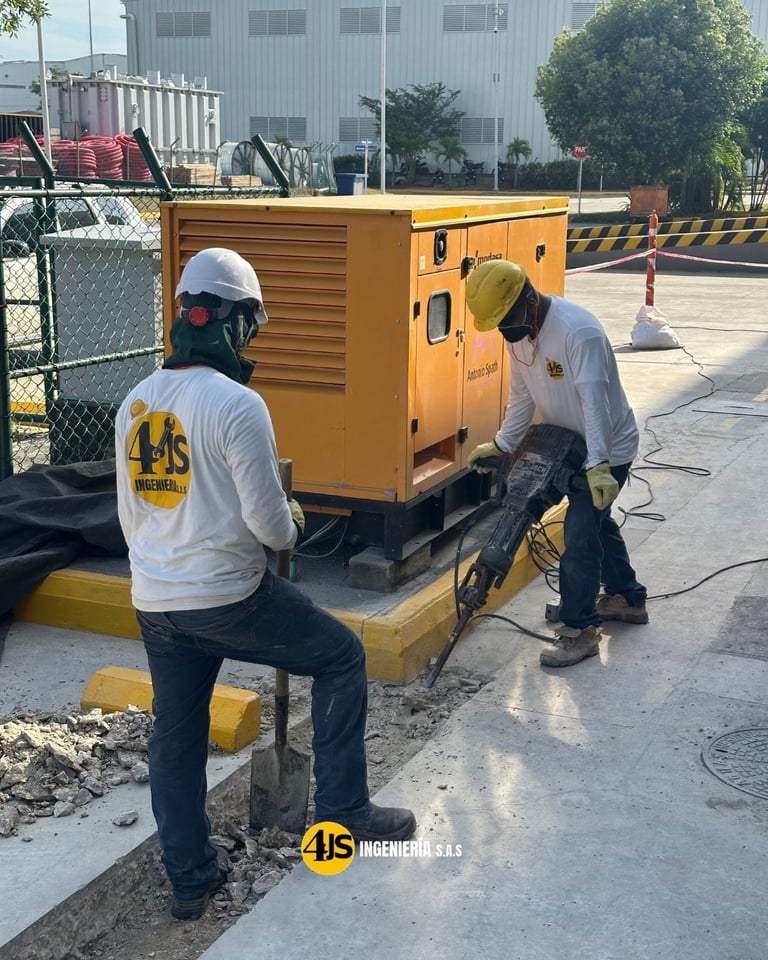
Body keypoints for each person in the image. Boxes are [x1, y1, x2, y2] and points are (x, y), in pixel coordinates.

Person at [114, 247, 415, 921]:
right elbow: (273, 529)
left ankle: (190, 879)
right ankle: (343, 813)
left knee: (177, 733)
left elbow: (133, 515)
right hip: (229, 598)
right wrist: (294, 519)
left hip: (156, 602)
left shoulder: (135, 400)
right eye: (251, 324)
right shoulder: (238, 404)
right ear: (235, 322)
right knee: (342, 657)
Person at [465, 259, 648, 669]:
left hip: (608, 447)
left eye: (507, 320)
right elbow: (522, 395)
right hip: (567, 444)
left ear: (530, 301)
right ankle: (627, 598)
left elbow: (595, 405)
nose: (504, 330)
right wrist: (503, 444)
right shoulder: (520, 335)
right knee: (596, 522)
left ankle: (580, 629)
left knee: (579, 532)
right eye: (498, 324)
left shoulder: (577, 332)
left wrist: (599, 464)